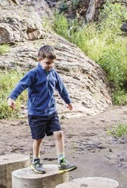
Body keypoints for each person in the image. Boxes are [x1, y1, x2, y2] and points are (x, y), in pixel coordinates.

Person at [7, 45, 77, 174]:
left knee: (59, 133)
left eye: (52, 63)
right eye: (47, 63)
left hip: (51, 111)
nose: (50, 65)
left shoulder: (54, 73)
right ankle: (36, 161)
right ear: (39, 59)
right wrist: (12, 97)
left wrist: (67, 101)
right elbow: (21, 85)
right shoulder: (33, 74)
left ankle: (62, 161)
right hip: (36, 113)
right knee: (38, 138)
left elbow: (61, 88)